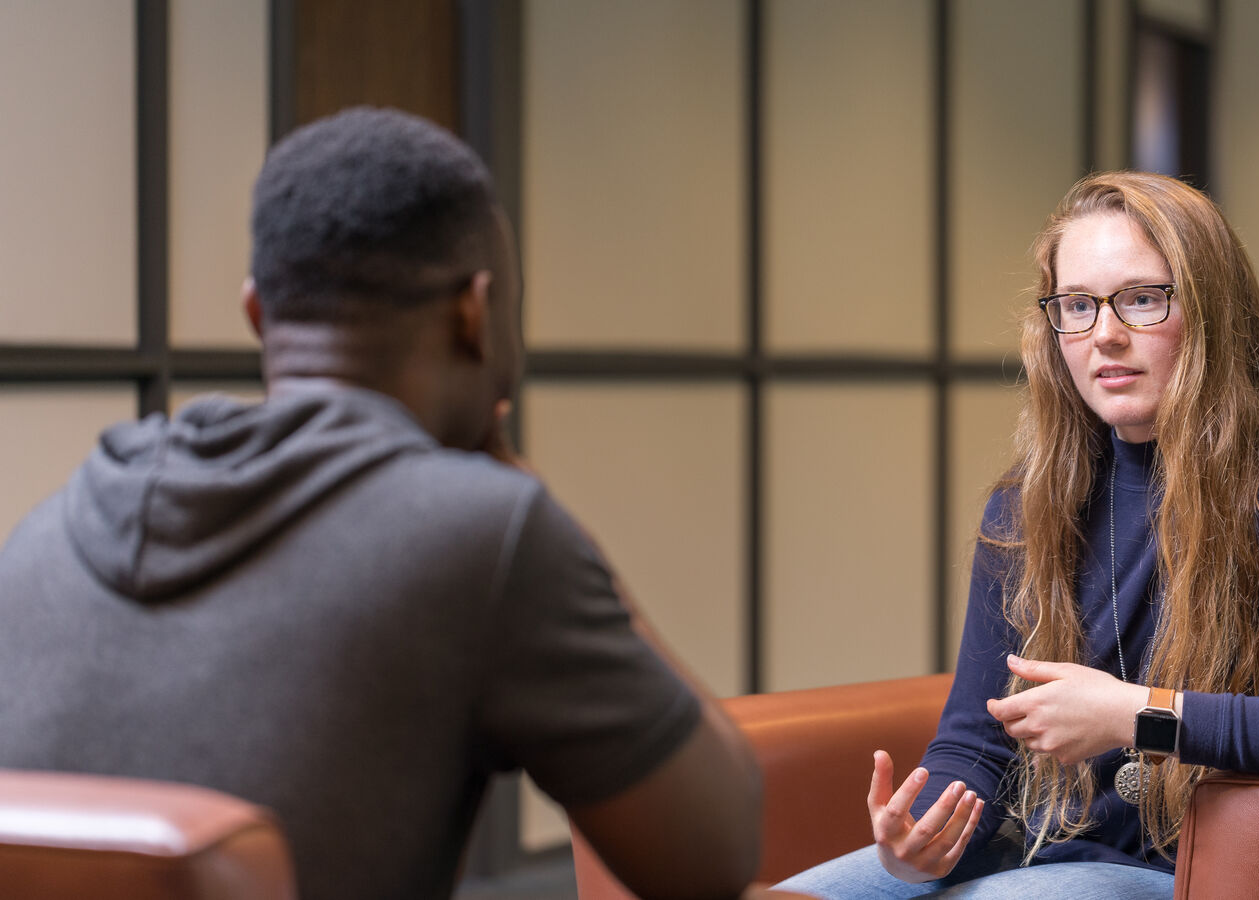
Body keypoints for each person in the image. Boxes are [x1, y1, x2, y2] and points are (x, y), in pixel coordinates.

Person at [0, 107, 761, 900]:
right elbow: (715, 857)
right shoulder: (479, 534)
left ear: (258, 315)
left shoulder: (42, 536)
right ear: (477, 311)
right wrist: (555, 526)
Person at [776, 171, 1259, 898]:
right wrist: (928, 838)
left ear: (1213, 311)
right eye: (1077, 305)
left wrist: (1138, 716)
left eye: (1142, 298)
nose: (1105, 334)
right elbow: (977, 742)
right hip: (1038, 851)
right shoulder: (1025, 504)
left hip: (1190, 873)